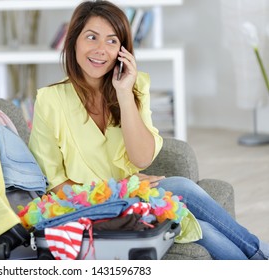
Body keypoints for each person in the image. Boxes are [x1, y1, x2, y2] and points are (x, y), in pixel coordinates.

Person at [28, 0, 269, 260]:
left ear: (122, 50)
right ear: (73, 40)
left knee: (206, 231)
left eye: (111, 41)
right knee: (182, 188)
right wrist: (119, 189)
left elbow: (141, 159)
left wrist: (123, 93)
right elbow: (55, 185)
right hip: (91, 207)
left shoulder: (134, 86)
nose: (100, 49)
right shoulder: (49, 100)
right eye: (91, 37)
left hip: (135, 199)